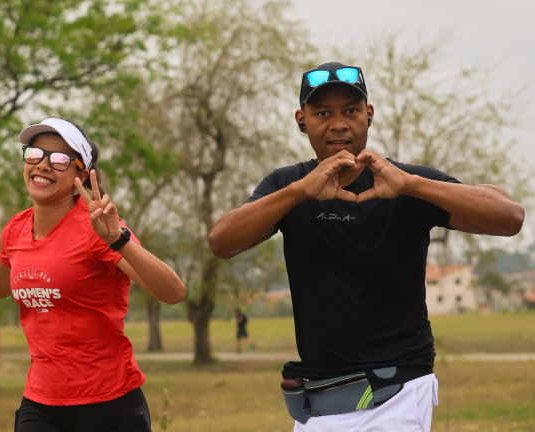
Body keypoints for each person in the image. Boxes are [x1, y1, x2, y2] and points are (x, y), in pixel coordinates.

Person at [207, 62, 524, 431]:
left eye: (351, 111)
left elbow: (509, 216)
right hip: (319, 401)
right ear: (302, 119)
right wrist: (301, 192)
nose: (338, 123)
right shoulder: (288, 185)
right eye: (323, 113)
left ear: (368, 115)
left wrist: (412, 185)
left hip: (399, 390)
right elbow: (222, 241)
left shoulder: (402, 182)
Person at [0, 117, 187, 432]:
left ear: (80, 174)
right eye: (34, 154)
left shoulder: (100, 227)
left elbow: (173, 292)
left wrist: (118, 240)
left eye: (58, 160)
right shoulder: (16, 228)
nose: (43, 165)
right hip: (41, 403)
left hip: (109, 404)